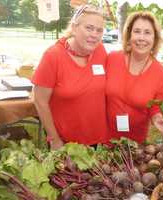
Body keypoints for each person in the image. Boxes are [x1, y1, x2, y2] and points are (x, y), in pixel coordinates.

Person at [32, 4, 108, 149]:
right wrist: (54, 139)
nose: (94, 34)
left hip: (98, 140)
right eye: (89, 28)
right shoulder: (53, 56)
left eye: (99, 30)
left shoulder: (100, 51)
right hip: (66, 143)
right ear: (74, 27)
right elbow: (40, 101)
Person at [106, 11, 163, 143]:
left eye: (147, 32)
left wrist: (157, 118)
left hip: (135, 144)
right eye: (137, 31)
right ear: (129, 35)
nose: (141, 37)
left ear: (155, 38)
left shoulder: (161, 74)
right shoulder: (112, 59)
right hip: (105, 137)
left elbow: (155, 106)